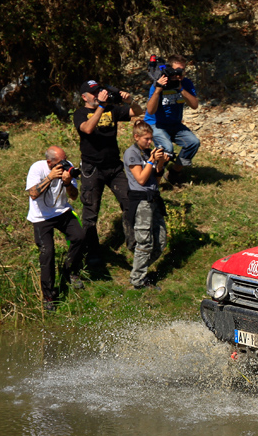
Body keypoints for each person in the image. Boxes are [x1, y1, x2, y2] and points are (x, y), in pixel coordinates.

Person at [72, 80, 136, 265]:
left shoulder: (112, 109)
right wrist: (100, 106)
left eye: (100, 91)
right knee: (91, 212)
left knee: (130, 201)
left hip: (114, 166)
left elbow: (138, 112)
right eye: (94, 93)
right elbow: (88, 128)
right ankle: (92, 252)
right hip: (92, 169)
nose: (100, 94)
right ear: (85, 97)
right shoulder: (81, 113)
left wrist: (130, 101)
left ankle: (133, 242)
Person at [25, 146, 87, 310]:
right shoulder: (37, 168)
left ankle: (70, 271)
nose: (64, 164)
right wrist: (50, 178)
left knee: (79, 236)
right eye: (60, 162)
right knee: (48, 253)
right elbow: (32, 194)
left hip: (62, 211)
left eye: (65, 159)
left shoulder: (68, 167)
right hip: (41, 217)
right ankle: (49, 297)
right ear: (49, 162)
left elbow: (74, 196)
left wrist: (67, 183)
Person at [124, 120, 171, 289]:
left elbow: (155, 180)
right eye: (146, 139)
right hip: (141, 201)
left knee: (160, 241)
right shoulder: (132, 153)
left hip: (154, 199)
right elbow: (142, 179)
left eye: (151, 139)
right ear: (136, 137)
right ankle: (137, 280)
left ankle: (139, 270)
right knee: (145, 243)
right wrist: (151, 160)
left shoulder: (147, 152)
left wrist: (161, 163)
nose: (150, 142)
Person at [145, 54, 200, 184]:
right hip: (156, 124)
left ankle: (174, 174)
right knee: (167, 148)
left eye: (182, 70)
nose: (178, 73)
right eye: (176, 70)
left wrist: (180, 88)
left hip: (175, 124)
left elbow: (194, 105)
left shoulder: (185, 83)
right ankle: (154, 176)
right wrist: (158, 90)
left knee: (193, 142)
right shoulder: (159, 82)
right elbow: (150, 110)